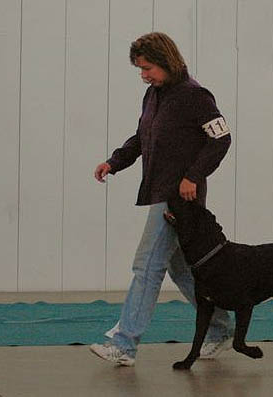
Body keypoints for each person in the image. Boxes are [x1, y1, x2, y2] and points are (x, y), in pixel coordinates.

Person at [90, 32, 233, 366]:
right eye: (140, 69)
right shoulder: (154, 95)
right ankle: (221, 328)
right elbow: (142, 137)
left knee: (146, 266)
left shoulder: (196, 96)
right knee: (184, 271)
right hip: (161, 195)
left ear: (167, 60)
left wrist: (193, 176)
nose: (144, 75)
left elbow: (221, 139)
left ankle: (124, 345)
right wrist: (114, 162)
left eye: (148, 68)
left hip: (179, 200)